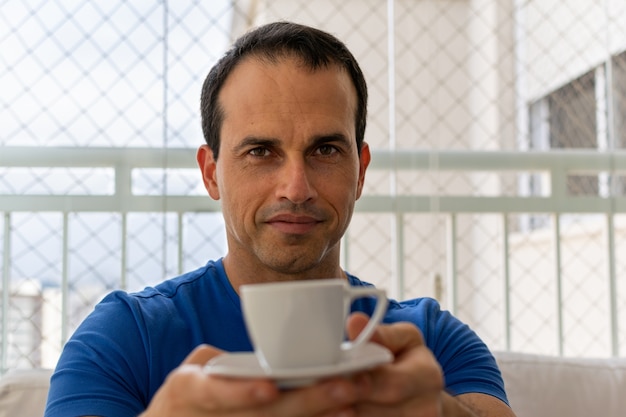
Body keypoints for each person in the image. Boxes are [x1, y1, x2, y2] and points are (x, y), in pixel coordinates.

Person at [44, 21, 516, 417]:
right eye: (260, 151)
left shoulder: (428, 342)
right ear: (211, 174)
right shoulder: (125, 338)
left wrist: (441, 412)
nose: (296, 187)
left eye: (326, 150)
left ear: (361, 172)